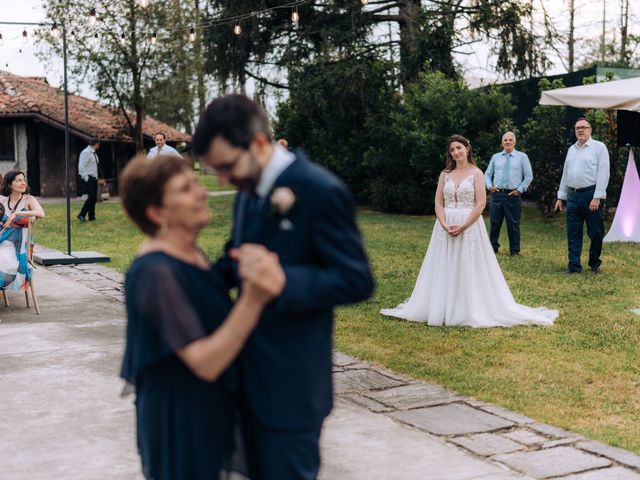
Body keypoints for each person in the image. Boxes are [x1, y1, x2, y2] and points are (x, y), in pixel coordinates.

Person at [192, 94, 374, 480]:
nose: (223, 180)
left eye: (226, 166)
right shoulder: (248, 190)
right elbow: (237, 257)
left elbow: (358, 279)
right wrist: (184, 279)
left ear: (258, 144)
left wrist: (287, 280)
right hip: (245, 377)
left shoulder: (321, 190)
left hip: (291, 385)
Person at [120, 154, 285, 480]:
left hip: (207, 411)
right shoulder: (154, 273)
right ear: (157, 213)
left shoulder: (189, 255)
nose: (201, 193)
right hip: (181, 422)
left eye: (196, 183)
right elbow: (204, 361)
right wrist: (253, 299)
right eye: (185, 188)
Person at [381, 135, 558, 328]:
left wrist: (464, 226)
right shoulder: (445, 174)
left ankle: (466, 307)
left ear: (467, 148)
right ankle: (441, 305)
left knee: (469, 264)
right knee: (443, 264)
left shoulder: (477, 173)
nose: (456, 152)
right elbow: (438, 202)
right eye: (452, 150)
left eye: (459, 148)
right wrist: (443, 223)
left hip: (469, 225)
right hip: (445, 225)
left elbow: (481, 203)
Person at [554, 118, 610, 274]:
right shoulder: (571, 149)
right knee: (573, 233)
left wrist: (597, 196)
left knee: (596, 232)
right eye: (577, 128)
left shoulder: (599, 148)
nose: (580, 130)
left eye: (583, 127)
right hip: (572, 196)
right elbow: (566, 174)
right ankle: (573, 266)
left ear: (590, 130)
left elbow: (603, 173)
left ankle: (594, 264)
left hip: (591, 195)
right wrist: (561, 197)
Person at [484, 131, 533, 256]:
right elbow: (487, 174)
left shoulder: (522, 157)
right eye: (505, 140)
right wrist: (490, 186)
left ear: (515, 142)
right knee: (495, 223)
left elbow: (528, 176)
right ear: (502, 143)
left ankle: (514, 250)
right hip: (497, 194)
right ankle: (493, 247)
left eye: (510, 140)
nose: (508, 142)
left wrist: (520, 190)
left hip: (513, 195)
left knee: (513, 223)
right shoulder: (495, 157)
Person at [0, 171, 45, 292]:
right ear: (9, 185)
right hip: (3, 241)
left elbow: (41, 213)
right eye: (18, 180)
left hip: (19, 247)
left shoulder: (29, 199)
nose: (23, 183)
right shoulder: (3, 201)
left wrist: (18, 213)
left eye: (23, 180)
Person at [77, 138, 100, 222]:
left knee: (93, 197)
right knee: (92, 197)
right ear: (96, 144)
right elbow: (81, 166)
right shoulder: (86, 152)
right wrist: (86, 178)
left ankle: (91, 216)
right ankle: (82, 214)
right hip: (88, 177)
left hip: (93, 177)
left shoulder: (93, 153)